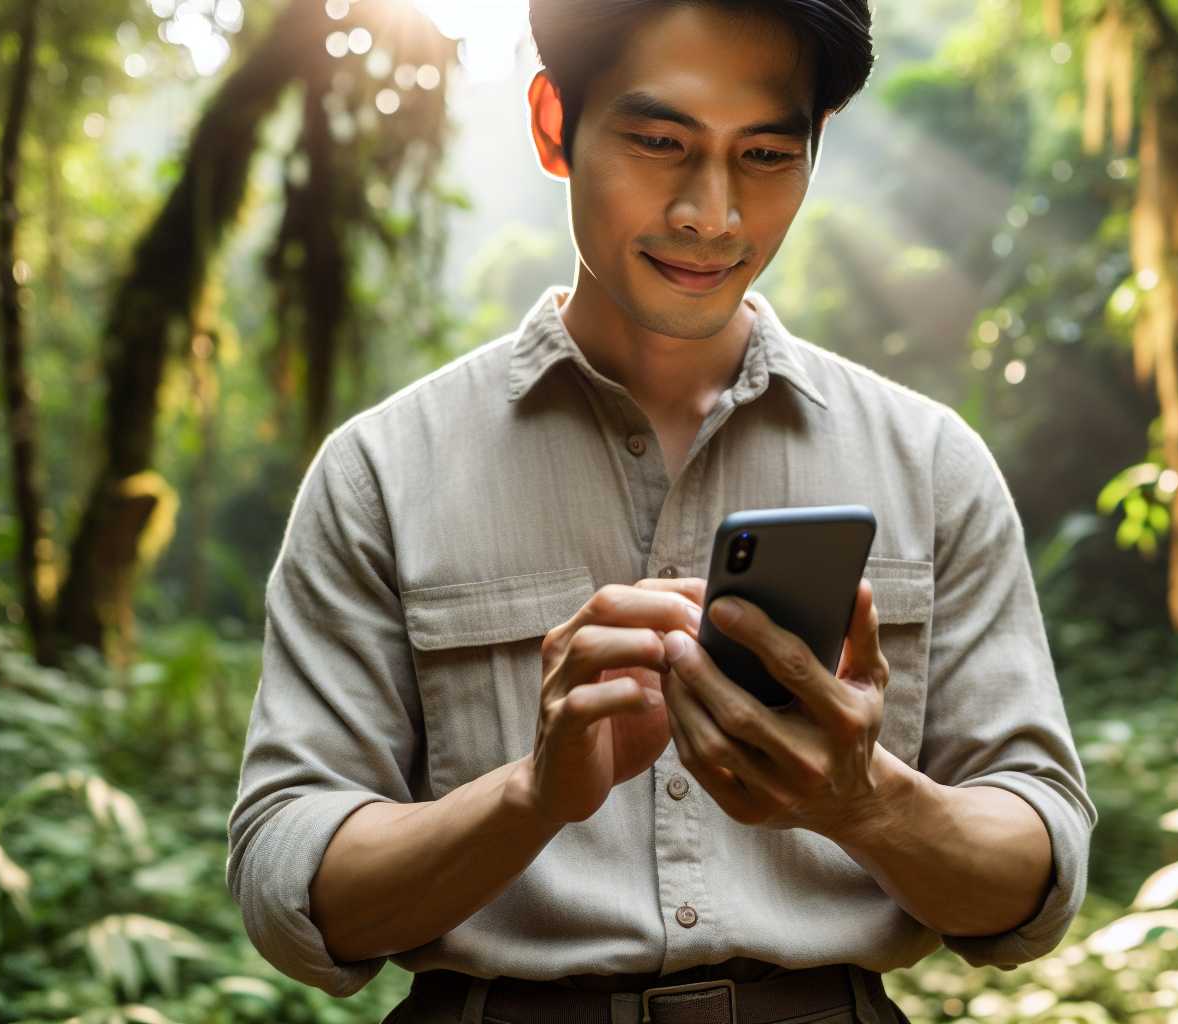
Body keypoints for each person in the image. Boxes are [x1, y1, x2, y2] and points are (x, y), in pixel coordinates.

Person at [224, 1, 1096, 1021]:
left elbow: (1038, 872)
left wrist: (863, 801)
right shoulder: (381, 473)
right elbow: (288, 882)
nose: (710, 213)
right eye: (658, 141)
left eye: (766, 153)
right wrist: (531, 796)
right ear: (553, 124)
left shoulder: (931, 463)